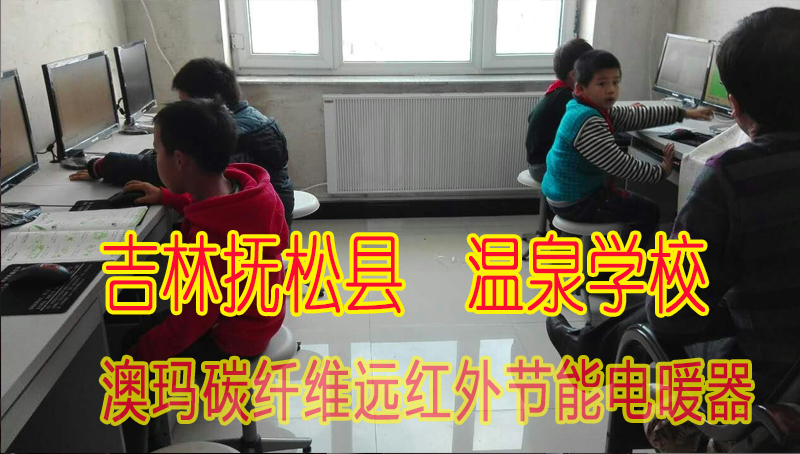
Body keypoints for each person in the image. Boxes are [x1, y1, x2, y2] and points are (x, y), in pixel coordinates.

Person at [548, 6, 800, 406]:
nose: (612, 90)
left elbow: (672, 320)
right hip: (789, 368)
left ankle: (588, 350)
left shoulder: (731, 176)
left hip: (762, 377)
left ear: (734, 105)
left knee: (653, 314)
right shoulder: (592, 118)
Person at [120, 97, 289, 364]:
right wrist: (167, 196)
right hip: (257, 319)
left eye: (156, 151)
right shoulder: (249, 194)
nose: (155, 158)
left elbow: (194, 320)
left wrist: (136, 358)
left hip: (232, 337)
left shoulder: (211, 241)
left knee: (129, 346)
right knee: (144, 329)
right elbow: (210, 206)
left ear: (179, 160)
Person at [70, 58, 296, 228]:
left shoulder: (225, 134)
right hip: (264, 217)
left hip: (247, 228)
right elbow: (211, 193)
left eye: (183, 102)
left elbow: (163, 170)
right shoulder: (251, 121)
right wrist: (167, 196)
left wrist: (104, 165)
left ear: (203, 104)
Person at [541, 49, 713, 246]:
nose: (611, 90)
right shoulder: (589, 122)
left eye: (615, 82)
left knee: (632, 203)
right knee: (649, 211)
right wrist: (660, 171)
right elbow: (620, 165)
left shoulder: (584, 108)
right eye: (602, 83)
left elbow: (637, 116)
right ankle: (622, 262)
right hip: (576, 201)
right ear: (580, 88)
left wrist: (684, 113)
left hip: (563, 193)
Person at [525, 38, 593, 182]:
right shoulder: (568, 100)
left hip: (537, 164)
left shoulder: (556, 92)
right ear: (574, 75)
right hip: (543, 168)